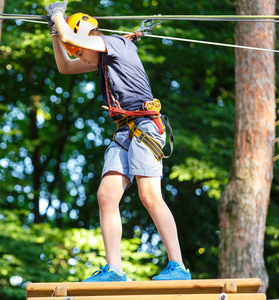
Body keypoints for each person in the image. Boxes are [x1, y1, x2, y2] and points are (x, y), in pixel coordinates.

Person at [45, 0, 191, 282]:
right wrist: (55, 31)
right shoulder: (100, 60)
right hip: (124, 131)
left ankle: (178, 266)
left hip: (146, 126)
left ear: (91, 38)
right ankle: (114, 270)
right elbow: (64, 67)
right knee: (106, 196)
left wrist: (58, 15)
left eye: (79, 51)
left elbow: (71, 37)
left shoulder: (116, 45)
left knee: (149, 195)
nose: (78, 56)